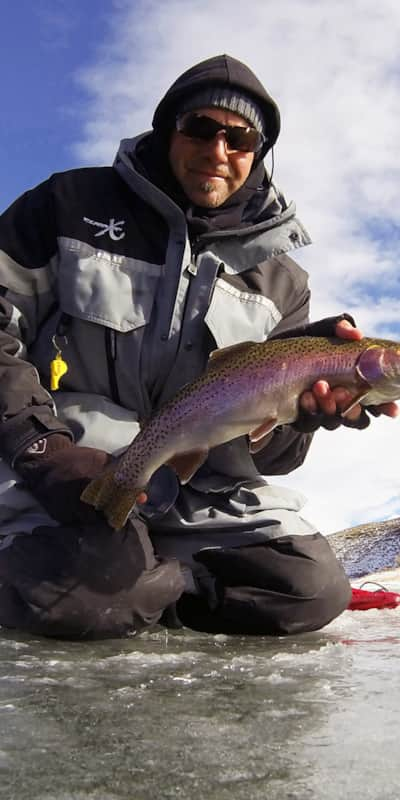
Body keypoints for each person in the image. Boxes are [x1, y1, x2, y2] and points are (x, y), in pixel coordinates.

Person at [0, 54, 397, 639]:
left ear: (258, 153)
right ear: (168, 130)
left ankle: (156, 587)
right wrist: (41, 449)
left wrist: (302, 421)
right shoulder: (66, 205)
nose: (219, 150)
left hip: (203, 494)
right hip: (68, 473)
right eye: (201, 129)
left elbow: (271, 454)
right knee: (76, 602)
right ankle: (116, 577)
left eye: (240, 139)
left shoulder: (283, 282)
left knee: (308, 590)